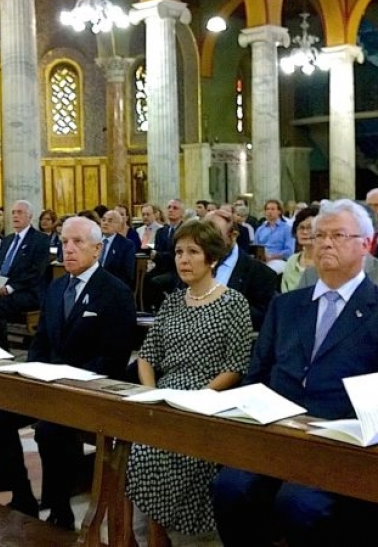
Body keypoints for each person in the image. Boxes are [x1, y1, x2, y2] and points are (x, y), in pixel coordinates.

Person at [212, 199, 378, 547]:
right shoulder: (286, 307)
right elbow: (257, 375)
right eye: (319, 235)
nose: (325, 243)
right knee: (229, 488)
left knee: (298, 504)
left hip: (341, 445)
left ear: (366, 245)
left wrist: (347, 430)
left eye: (339, 235)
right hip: (278, 433)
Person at [0, 216, 136, 530]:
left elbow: (114, 357)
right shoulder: (55, 287)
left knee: (52, 429)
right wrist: (36, 374)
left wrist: (68, 384)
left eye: (78, 242)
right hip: (48, 383)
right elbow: (40, 342)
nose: (69, 249)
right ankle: (22, 495)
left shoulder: (114, 292)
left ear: (97, 249)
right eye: (65, 242)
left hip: (89, 387)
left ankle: (61, 510)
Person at [126, 219, 253, 540]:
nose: (183, 259)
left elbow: (235, 366)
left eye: (193, 252)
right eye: (179, 252)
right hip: (165, 396)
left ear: (211, 258)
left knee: (181, 456)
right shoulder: (172, 302)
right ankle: (147, 534)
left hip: (209, 399)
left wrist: (199, 397)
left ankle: (187, 534)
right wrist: (152, 394)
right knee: (141, 452)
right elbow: (147, 356)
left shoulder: (233, 302)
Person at [0, 200, 50, 348]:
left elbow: (35, 272)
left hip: (27, 291)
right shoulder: (8, 240)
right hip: (1, 287)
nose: (15, 216)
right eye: (13, 213)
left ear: (30, 217)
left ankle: (1, 349)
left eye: (20, 212)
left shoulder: (40, 239)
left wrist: (10, 288)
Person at [205, 209, 277, 331]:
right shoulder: (191, 265)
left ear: (233, 236)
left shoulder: (261, 274)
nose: (207, 241)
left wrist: (226, 303)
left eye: (215, 236)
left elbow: (263, 320)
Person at [281, 205, 320, 293]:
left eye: (310, 228)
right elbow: (285, 293)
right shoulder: (292, 261)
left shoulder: (326, 261)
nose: (305, 232)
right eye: (301, 228)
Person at [99, 209, 136, 287]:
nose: (105, 223)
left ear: (118, 225)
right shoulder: (93, 241)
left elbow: (127, 275)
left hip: (113, 286)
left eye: (110, 221)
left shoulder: (126, 245)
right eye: (103, 220)